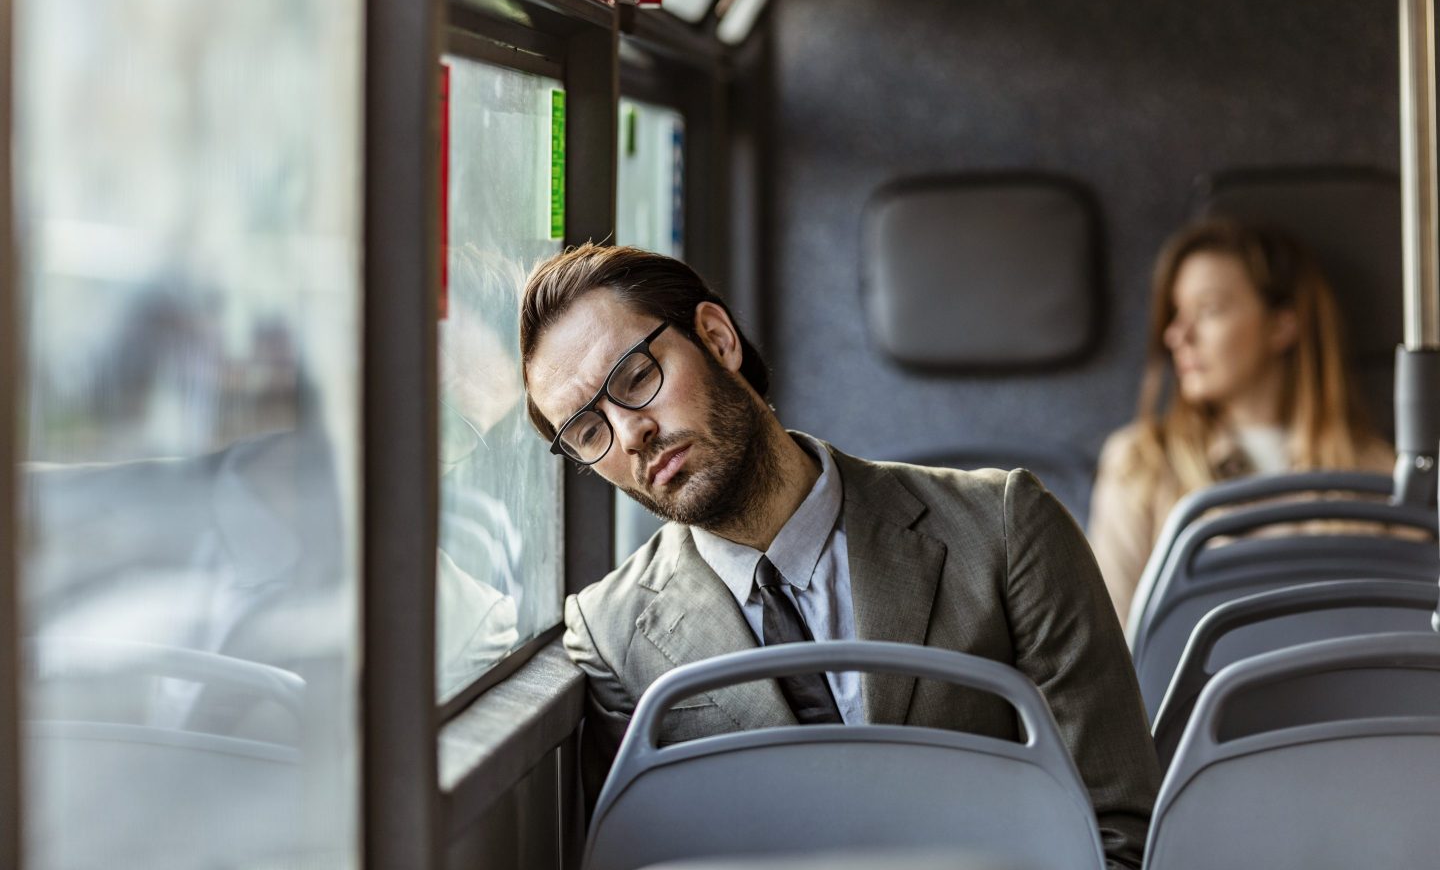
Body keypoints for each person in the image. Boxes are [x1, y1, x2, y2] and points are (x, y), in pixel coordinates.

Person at [520, 244, 1160, 870]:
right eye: (588, 430)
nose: (631, 434)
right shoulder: (612, 636)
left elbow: (1116, 833)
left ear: (716, 338)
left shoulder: (1004, 528)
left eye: (635, 377)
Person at [1088, 220, 1394, 624]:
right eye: (1177, 313)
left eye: (1209, 309)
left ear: (1282, 325)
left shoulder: (1376, 473)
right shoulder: (1141, 461)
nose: (1178, 335)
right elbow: (1110, 638)